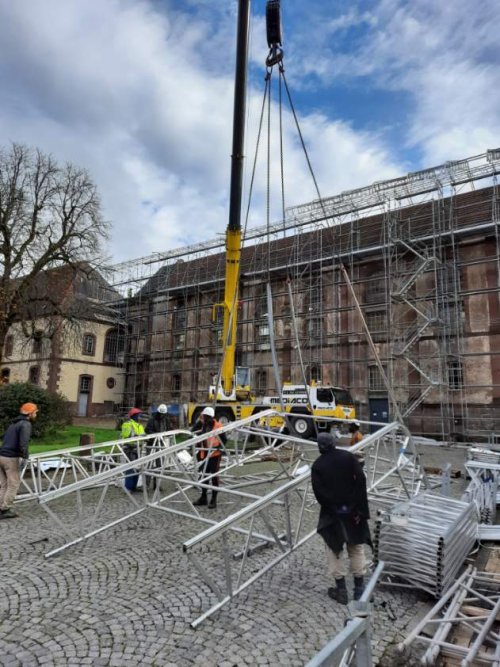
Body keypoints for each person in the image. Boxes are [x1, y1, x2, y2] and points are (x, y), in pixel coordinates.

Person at [311, 432, 371, 604]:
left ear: (319, 446)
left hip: (333, 515)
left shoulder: (318, 466)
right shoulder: (348, 457)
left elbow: (319, 494)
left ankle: (341, 590)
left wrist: (334, 507)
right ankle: (359, 589)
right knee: (356, 548)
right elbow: (361, 481)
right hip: (354, 513)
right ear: (334, 443)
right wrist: (359, 508)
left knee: (334, 550)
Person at [0, 402, 38, 519]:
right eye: (35, 412)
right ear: (30, 413)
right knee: (14, 484)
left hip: (1, 455)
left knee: (4, 484)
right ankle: (5, 509)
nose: (36, 415)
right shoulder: (25, 424)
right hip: (10, 458)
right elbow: (23, 443)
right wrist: (25, 457)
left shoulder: (13, 424)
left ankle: (1, 506)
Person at [191, 407, 226, 509]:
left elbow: (224, 440)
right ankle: (203, 497)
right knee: (204, 476)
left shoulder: (218, 426)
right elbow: (193, 431)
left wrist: (218, 448)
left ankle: (214, 500)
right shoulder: (204, 425)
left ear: (210, 417)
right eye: (203, 417)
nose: (204, 419)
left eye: (205, 417)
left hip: (215, 454)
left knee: (214, 476)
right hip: (205, 453)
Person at [121, 407, 145, 492]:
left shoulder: (140, 425)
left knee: (137, 468)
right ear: (134, 416)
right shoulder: (127, 424)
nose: (140, 417)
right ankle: (128, 487)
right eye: (138, 415)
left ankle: (133, 486)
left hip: (138, 448)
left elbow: (143, 436)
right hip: (130, 449)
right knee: (130, 468)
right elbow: (126, 435)